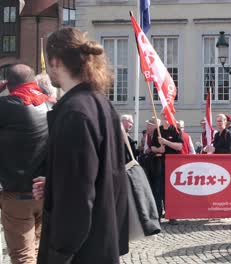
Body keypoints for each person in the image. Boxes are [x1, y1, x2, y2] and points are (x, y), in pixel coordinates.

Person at [37, 27, 129, 263]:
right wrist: (53, 185)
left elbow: (78, 194)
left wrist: (60, 252)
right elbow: (97, 175)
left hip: (81, 251)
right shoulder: (99, 102)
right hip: (101, 239)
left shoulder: (75, 112)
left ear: (55, 61)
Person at [0, 64, 49, 264]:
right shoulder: (53, 105)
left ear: (7, 84)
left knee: (22, 255)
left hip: (16, 193)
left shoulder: (7, 105)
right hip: (46, 191)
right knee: (36, 250)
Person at [151, 113, 183, 225]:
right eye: (163, 115)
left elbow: (179, 146)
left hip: (173, 165)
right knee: (158, 190)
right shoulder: (157, 130)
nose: (165, 116)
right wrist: (159, 149)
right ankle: (158, 216)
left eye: (167, 114)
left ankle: (172, 215)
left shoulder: (175, 130)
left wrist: (166, 142)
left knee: (170, 191)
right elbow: (152, 147)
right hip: (160, 163)